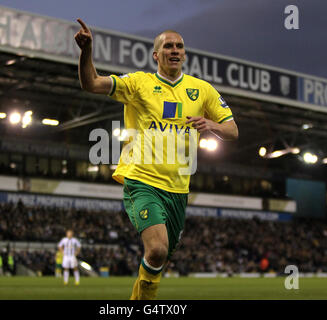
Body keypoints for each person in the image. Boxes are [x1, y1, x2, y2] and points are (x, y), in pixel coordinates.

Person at [74, 18, 238, 299]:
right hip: (142, 181)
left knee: (160, 258)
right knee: (157, 249)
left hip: (178, 189)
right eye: (168, 46)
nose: (174, 50)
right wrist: (86, 51)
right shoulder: (139, 83)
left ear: (184, 54)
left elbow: (232, 130)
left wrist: (213, 126)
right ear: (156, 55)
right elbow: (91, 83)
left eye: (179, 46)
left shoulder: (203, 90)